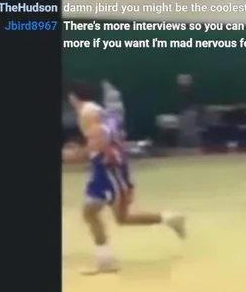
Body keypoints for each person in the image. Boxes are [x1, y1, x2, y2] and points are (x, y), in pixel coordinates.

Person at [66, 81, 185, 273]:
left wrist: (74, 155)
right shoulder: (97, 111)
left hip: (108, 168)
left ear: (73, 97)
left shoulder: (87, 114)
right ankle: (169, 218)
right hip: (109, 166)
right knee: (121, 218)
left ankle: (105, 262)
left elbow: (98, 142)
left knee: (91, 213)